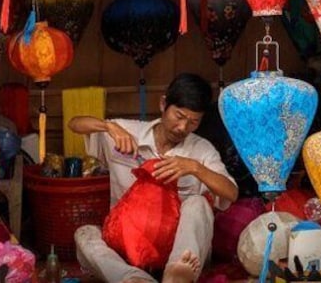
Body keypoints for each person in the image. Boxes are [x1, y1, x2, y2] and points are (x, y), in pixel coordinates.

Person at [69, 73, 238, 283]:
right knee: (85, 234)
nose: (183, 128)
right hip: (124, 242)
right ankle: (133, 278)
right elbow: (74, 124)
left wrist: (195, 168)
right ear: (163, 103)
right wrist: (107, 126)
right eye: (179, 116)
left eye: (193, 122)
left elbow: (231, 192)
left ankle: (177, 274)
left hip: (178, 248)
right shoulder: (128, 132)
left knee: (197, 203)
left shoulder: (201, 150)